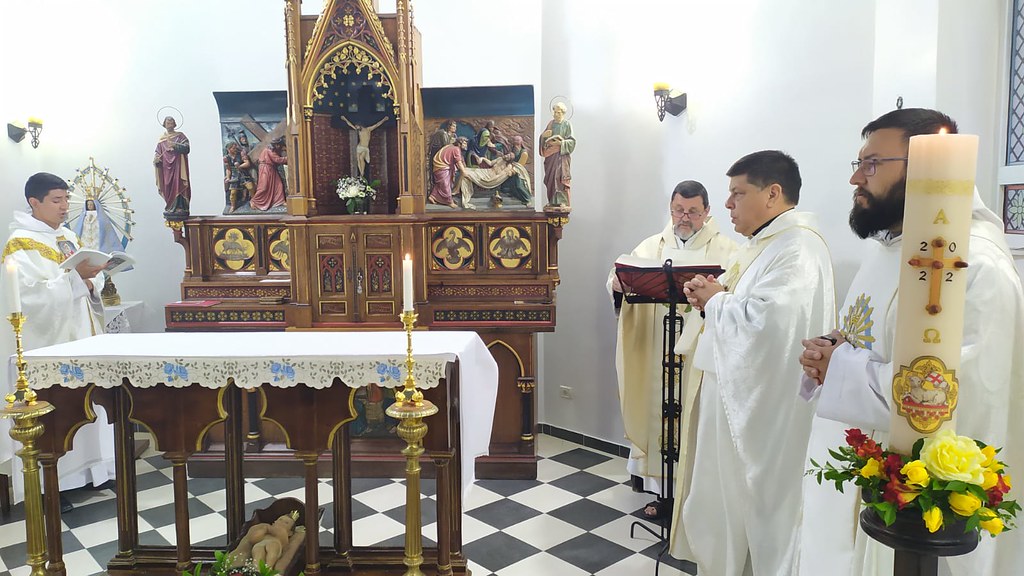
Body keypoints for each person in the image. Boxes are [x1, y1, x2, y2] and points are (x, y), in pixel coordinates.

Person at [798, 108, 1024, 576]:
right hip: (851, 464)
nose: (856, 178)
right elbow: (867, 334)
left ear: (923, 165)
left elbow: (962, 397)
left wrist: (836, 368)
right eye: (858, 163)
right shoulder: (890, 247)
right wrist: (831, 347)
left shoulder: (972, 265)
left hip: (913, 506)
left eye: (873, 163)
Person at [672, 151, 835, 575]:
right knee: (720, 496)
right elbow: (746, 304)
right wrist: (715, 293)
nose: (728, 205)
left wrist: (717, 300)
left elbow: (772, 325)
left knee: (752, 500)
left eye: (737, 194)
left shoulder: (797, 249)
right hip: (729, 395)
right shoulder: (765, 245)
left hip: (758, 407)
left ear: (773, 194)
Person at [607, 180, 736, 522]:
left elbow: (734, 300)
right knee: (657, 416)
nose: (685, 217)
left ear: (707, 212)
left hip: (697, 359)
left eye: (693, 211)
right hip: (655, 351)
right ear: (671, 208)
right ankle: (664, 496)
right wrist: (617, 284)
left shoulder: (726, 252)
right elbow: (619, 279)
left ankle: (696, 501)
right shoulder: (651, 247)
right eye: (679, 209)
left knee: (695, 420)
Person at [0, 172, 114, 514]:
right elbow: (31, 298)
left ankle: (95, 472)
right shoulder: (19, 244)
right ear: (34, 203)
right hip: (49, 342)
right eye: (56, 200)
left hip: (81, 333)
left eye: (67, 199)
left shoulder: (65, 235)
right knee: (58, 409)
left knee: (87, 406)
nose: (65, 207)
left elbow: (82, 275)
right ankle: (55, 483)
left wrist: (95, 278)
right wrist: (77, 282)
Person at [153, 115, 191, 219]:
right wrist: (156, 160)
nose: (170, 124)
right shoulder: (161, 140)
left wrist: (175, 145)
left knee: (178, 183)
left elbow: (187, 148)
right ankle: (170, 206)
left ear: (175, 124)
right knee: (168, 186)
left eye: (171, 122)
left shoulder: (180, 136)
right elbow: (157, 153)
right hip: (166, 168)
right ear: (164, 124)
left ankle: (181, 207)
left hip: (178, 165)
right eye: (167, 123)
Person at [540, 102, 575, 208]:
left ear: (563, 113)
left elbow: (572, 141)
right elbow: (543, 139)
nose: (555, 114)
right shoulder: (551, 124)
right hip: (550, 156)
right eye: (554, 112)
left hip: (561, 156)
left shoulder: (567, 124)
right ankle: (552, 200)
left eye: (558, 112)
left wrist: (561, 143)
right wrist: (543, 137)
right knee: (550, 178)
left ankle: (562, 201)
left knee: (559, 178)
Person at [429, 137, 468, 209]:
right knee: (445, 184)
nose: (466, 145)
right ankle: (449, 201)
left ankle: (433, 196)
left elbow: (460, 160)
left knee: (441, 184)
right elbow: (459, 162)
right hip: (441, 166)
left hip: (442, 166)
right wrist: (464, 172)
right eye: (465, 143)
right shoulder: (456, 149)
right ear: (459, 143)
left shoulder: (452, 147)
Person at [251, 137, 288, 211]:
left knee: (278, 185)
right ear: (274, 144)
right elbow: (277, 159)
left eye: (279, 145)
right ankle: (254, 201)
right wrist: (288, 158)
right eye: (277, 145)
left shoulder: (273, 150)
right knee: (263, 186)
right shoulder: (269, 150)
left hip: (271, 169)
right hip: (265, 169)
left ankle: (279, 201)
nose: (278, 146)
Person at [223, 141, 253, 213]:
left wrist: (240, 166)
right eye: (233, 148)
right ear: (229, 149)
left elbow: (247, 163)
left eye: (235, 148)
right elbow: (228, 169)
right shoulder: (226, 158)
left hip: (243, 173)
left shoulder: (241, 154)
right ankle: (233, 206)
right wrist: (228, 177)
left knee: (251, 187)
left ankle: (252, 201)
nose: (235, 149)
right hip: (234, 175)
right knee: (233, 192)